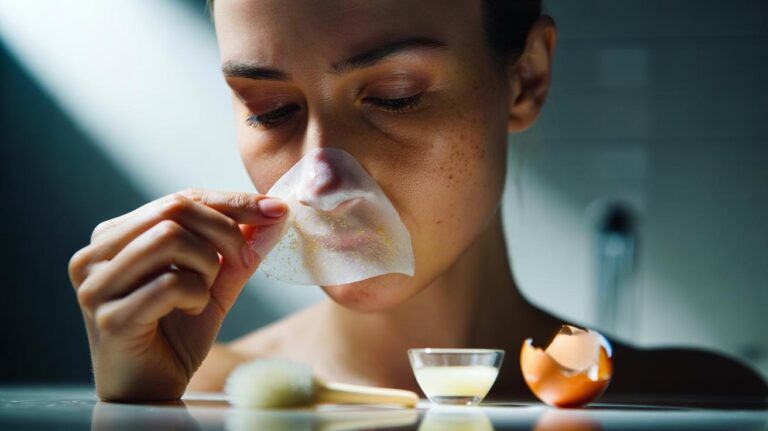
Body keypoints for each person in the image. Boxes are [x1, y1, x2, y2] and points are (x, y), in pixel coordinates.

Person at [68, 0, 767, 402]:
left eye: (395, 98)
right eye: (270, 108)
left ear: (525, 78)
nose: (320, 181)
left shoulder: (693, 400)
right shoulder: (197, 395)